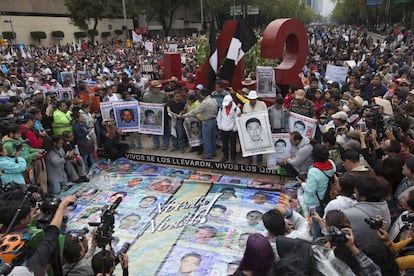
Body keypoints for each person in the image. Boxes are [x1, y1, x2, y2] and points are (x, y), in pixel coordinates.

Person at [343, 176, 391, 249]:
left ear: (363, 197)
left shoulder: (349, 214)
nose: (354, 195)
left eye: (356, 192)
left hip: (359, 254)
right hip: (380, 250)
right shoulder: (385, 207)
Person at [182, 88, 218, 160]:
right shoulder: (214, 100)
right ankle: (213, 152)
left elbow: (195, 111)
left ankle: (208, 154)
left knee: (207, 139)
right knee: (213, 138)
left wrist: (184, 115)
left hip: (207, 121)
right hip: (214, 120)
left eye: (200, 94)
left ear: (202, 95)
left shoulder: (205, 103)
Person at [217, 95, 241, 163]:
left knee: (233, 145)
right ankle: (225, 156)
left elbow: (237, 120)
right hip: (223, 129)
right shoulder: (221, 108)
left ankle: (233, 157)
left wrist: (234, 129)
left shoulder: (236, 109)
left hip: (232, 130)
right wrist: (220, 127)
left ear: (231, 102)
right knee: (224, 144)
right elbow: (219, 118)